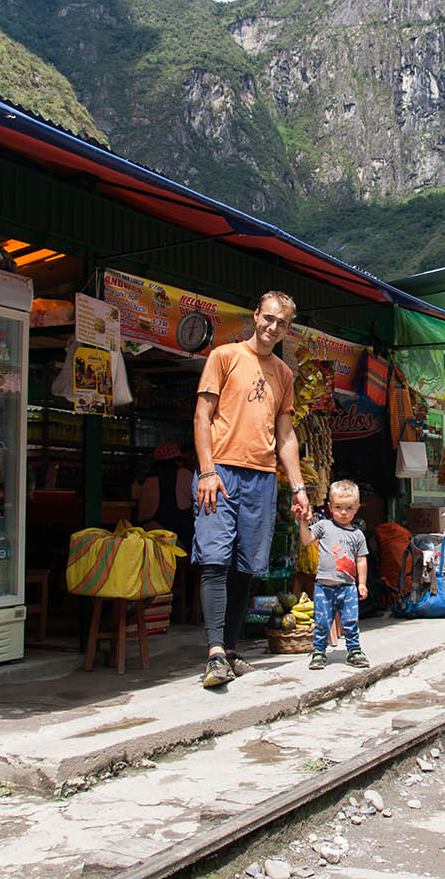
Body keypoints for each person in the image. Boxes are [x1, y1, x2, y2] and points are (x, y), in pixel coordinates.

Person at [193, 291, 311, 688]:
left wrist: (298, 487)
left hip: (261, 477)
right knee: (215, 560)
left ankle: (229, 649)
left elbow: (286, 435)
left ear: (287, 329)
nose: (272, 327)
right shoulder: (224, 357)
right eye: (269, 318)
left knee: (246, 566)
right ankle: (213, 654)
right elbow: (202, 415)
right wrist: (207, 472)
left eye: (282, 323)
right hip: (221, 474)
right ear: (255, 316)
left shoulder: (284, 373)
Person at [298, 479, 370, 670]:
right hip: (324, 585)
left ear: (357, 508)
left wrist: (361, 583)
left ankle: (354, 650)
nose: (343, 512)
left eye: (348, 508)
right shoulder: (323, 526)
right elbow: (306, 541)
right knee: (322, 620)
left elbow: (361, 560)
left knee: (351, 620)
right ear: (330, 507)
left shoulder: (357, 535)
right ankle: (319, 652)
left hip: (347, 587)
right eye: (338, 507)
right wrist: (302, 523)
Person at [137, 442, 196, 624]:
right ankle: (189, 608)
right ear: (177, 460)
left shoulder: (147, 480)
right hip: (174, 547)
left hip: (146, 545)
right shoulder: (185, 475)